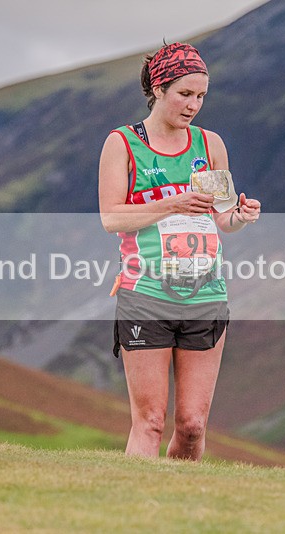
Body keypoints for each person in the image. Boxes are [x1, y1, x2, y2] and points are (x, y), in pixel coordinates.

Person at [98, 42, 261, 460]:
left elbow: (221, 218)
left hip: (205, 296)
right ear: (158, 88)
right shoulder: (122, 144)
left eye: (201, 96)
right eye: (184, 94)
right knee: (150, 422)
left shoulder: (210, 145)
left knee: (191, 426)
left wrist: (240, 215)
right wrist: (172, 203)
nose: (193, 105)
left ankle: (181, 511)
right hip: (145, 294)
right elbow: (111, 218)